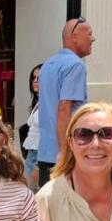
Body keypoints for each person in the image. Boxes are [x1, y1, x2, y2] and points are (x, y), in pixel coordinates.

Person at [37, 18, 95, 188]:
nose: (93, 39)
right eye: (89, 34)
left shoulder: (48, 64)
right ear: (74, 37)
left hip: (45, 154)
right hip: (64, 157)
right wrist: (64, 153)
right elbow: (64, 109)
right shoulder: (75, 65)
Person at [16, 64, 42, 187]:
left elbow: (49, 132)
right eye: (33, 78)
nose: (35, 81)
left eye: (39, 78)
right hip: (32, 153)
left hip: (38, 155)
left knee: (32, 192)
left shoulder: (49, 102)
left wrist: (37, 165)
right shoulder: (39, 101)